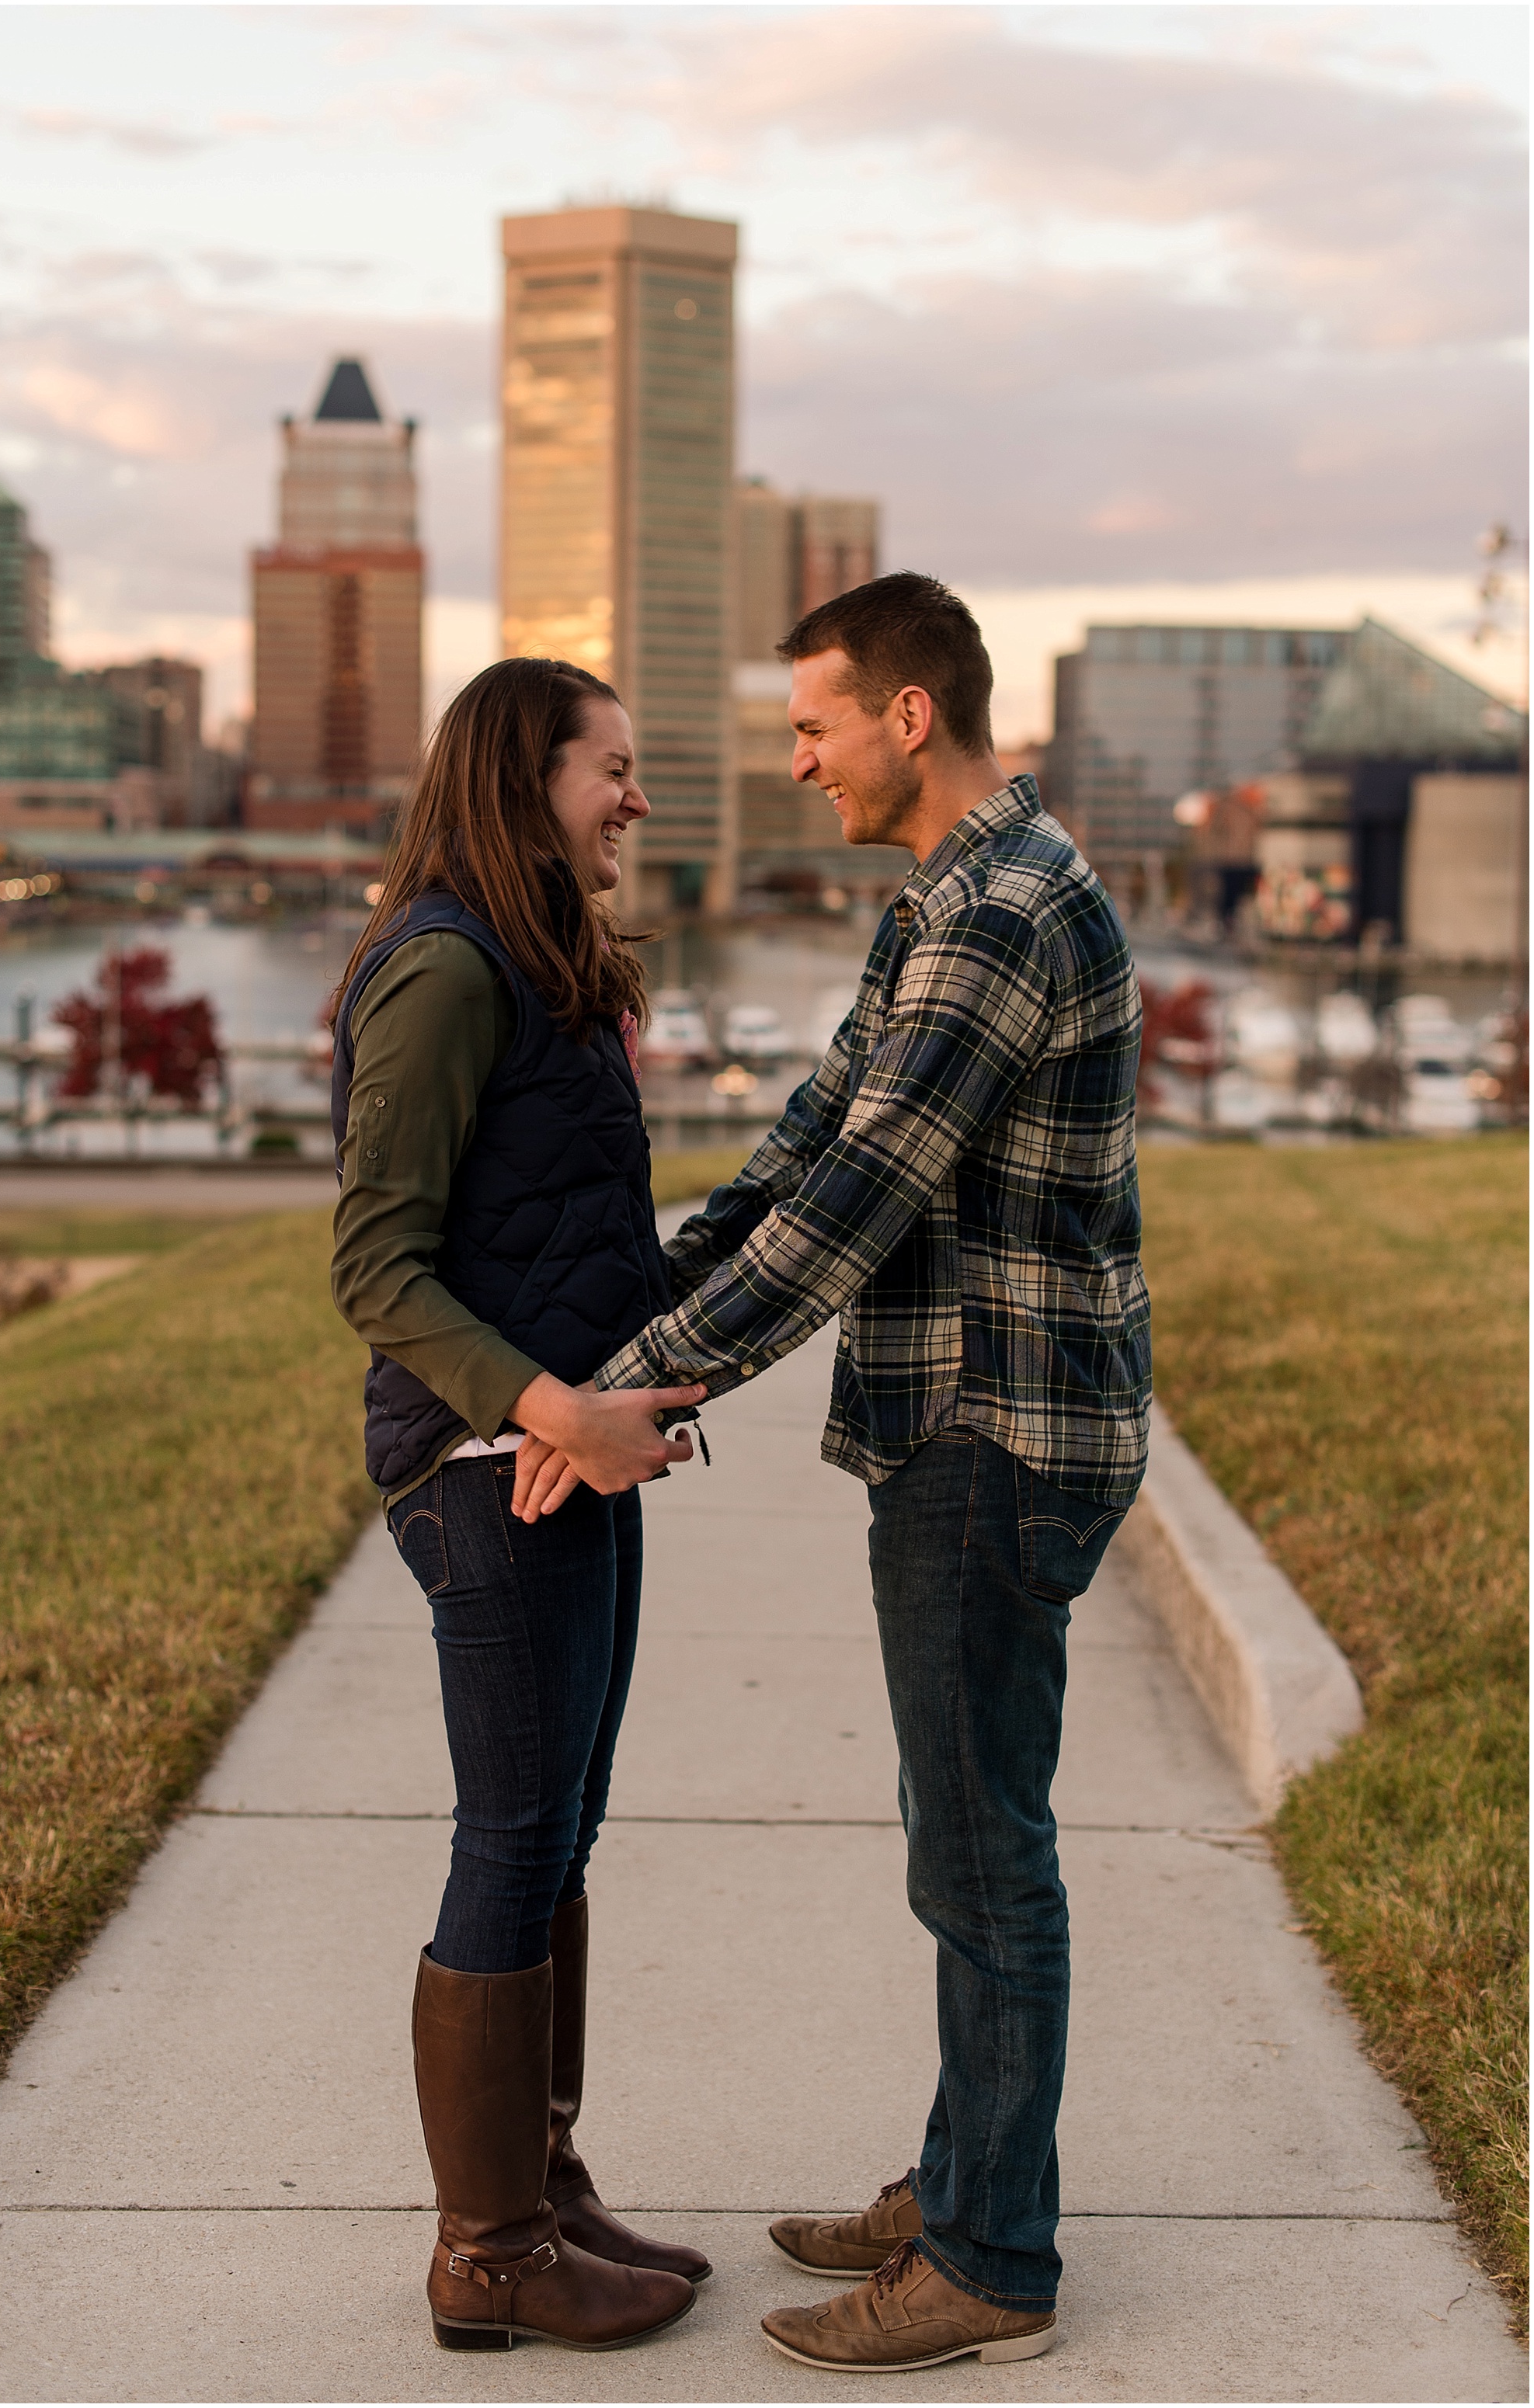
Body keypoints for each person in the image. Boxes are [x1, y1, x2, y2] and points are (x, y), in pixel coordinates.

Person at [513, 573, 1151, 2374]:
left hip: (994, 1431)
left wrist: (614, 1396)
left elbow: (857, 1215)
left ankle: (990, 2266)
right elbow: (814, 1139)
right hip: (964, 1418)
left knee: (978, 1856)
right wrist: (654, 1278)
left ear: (908, 720)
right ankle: (962, 2173)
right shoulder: (946, 898)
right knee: (960, 1837)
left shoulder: (1002, 914)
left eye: (810, 726)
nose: (792, 760)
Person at [329, 655, 713, 2356]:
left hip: (568, 1464)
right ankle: (483, 2255)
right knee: (508, 1840)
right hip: (487, 1475)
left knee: (558, 1836)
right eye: (607, 769)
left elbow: (568, 1231)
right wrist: (557, 1408)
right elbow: (375, 1263)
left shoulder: (540, 964)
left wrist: (625, 1414)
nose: (634, 797)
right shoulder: (437, 967)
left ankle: (540, 2192)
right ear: (520, 778)